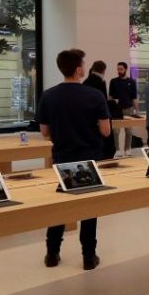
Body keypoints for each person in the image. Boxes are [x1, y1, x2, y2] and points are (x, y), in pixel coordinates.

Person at [35, 48, 110, 270]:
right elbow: (106, 131)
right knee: (88, 207)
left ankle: (52, 253)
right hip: (89, 158)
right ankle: (88, 256)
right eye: (83, 65)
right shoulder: (95, 96)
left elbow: (44, 132)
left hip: (62, 158)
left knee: (60, 205)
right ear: (78, 70)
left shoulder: (48, 95)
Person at [83, 61, 116, 159]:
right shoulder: (100, 83)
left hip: (88, 121)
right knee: (106, 148)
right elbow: (103, 104)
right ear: (103, 70)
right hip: (100, 120)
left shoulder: (85, 82)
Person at [109, 62, 139, 157]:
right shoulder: (113, 81)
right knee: (116, 131)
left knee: (129, 131)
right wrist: (110, 107)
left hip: (129, 109)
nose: (119, 71)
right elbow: (110, 97)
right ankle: (117, 150)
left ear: (125, 69)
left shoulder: (131, 82)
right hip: (117, 110)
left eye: (121, 69)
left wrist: (137, 110)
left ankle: (127, 149)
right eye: (118, 69)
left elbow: (134, 97)